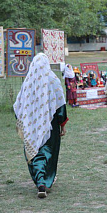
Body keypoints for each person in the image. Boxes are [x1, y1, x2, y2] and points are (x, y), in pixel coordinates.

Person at [13, 53, 68, 199]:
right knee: (48, 152)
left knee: (35, 153)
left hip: (32, 125)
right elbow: (60, 106)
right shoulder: (53, 80)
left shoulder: (28, 81)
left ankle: (40, 181)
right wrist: (62, 124)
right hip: (51, 126)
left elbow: (18, 105)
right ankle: (45, 182)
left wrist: (24, 121)